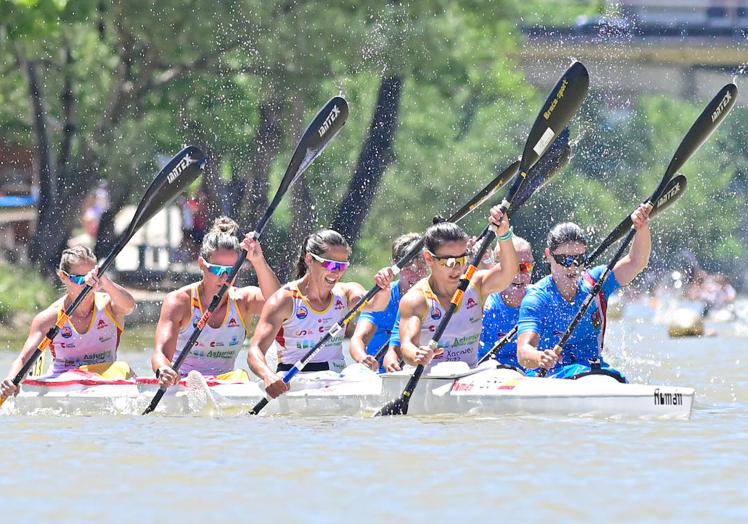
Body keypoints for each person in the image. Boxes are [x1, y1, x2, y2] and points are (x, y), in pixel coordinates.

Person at [247, 229, 395, 399]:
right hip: (294, 383)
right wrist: (267, 375)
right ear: (309, 259)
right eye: (331, 265)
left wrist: (384, 288)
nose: (337, 273)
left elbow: (376, 305)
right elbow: (255, 350)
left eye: (343, 266)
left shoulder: (346, 292)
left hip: (336, 381)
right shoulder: (285, 300)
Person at [516, 204, 651, 378]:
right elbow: (523, 352)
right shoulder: (537, 297)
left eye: (578, 259)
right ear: (549, 255)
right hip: (551, 376)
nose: (572, 266)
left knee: (618, 378)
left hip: (595, 372)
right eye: (564, 259)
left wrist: (642, 228)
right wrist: (541, 357)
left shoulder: (596, 283)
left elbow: (636, 262)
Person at [151, 217, 280, 387]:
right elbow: (160, 354)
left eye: (231, 270)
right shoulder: (179, 302)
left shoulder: (244, 301)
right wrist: (163, 369)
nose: (224, 277)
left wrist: (258, 260)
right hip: (182, 383)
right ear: (202, 264)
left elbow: (279, 303)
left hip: (226, 385)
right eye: (217, 269)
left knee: (241, 376)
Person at [1, 246, 136, 397]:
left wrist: (105, 281)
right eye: (79, 278)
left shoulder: (110, 306)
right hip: (64, 382)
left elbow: (130, 306)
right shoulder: (48, 319)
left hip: (106, 379)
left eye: (91, 277)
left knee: (123, 368)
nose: (87, 284)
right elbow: (24, 358)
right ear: (63, 277)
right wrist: (11, 380)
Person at [398, 205, 519, 369]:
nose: (457, 269)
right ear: (428, 258)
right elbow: (407, 346)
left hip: (467, 375)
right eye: (449, 262)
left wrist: (503, 234)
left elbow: (508, 271)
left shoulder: (475, 285)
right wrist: (417, 355)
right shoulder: (416, 300)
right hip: (430, 379)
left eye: (462, 260)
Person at [349, 233, 428, 371]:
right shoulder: (382, 297)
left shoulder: (434, 297)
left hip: (417, 371)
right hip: (379, 373)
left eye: (422, 265)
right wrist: (362, 357)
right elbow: (358, 339)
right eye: (409, 267)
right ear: (395, 265)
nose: (416, 273)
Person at [478, 235, 534, 368]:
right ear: (497, 269)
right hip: (491, 375)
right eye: (513, 268)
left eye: (525, 267)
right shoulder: (484, 306)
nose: (519, 275)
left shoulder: (539, 301)